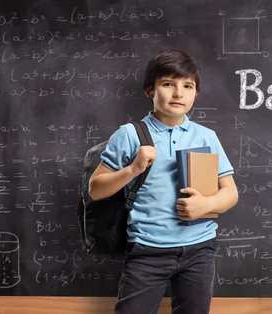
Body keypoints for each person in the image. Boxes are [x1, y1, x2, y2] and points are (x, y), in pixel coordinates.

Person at [88, 50, 238, 314]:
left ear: (195, 93)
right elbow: (96, 189)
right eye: (168, 84)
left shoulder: (206, 137)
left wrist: (206, 205)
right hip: (147, 250)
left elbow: (230, 193)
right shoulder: (130, 135)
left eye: (187, 86)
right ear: (150, 90)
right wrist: (132, 169)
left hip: (199, 249)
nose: (179, 93)